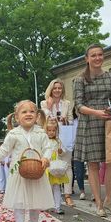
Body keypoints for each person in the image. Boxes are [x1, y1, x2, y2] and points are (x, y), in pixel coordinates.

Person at [0, 100, 54, 222]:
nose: (28, 114)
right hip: (19, 173)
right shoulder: (14, 134)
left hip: (37, 171)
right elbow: (4, 150)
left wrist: (46, 158)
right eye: (24, 112)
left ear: (37, 115)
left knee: (35, 202)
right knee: (19, 202)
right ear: (17, 117)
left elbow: (48, 148)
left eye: (31, 111)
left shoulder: (41, 133)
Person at [73, 44, 111, 217]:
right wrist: (95, 112)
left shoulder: (109, 76)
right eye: (93, 55)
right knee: (93, 164)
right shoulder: (80, 79)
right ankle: (99, 203)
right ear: (87, 59)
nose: (97, 58)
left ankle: (109, 200)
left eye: (100, 54)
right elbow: (78, 105)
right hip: (89, 122)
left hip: (107, 122)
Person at [41, 78, 74, 206]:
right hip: (50, 137)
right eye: (55, 88)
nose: (57, 90)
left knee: (67, 166)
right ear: (51, 89)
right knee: (49, 165)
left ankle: (67, 195)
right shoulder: (44, 103)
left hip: (64, 136)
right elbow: (43, 120)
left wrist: (65, 120)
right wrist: (49, 107)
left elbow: (71, 120)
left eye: (59, 88)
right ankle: (49, 196)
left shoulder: (67, 103)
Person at [45, 119, 70, 214]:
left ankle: (57, 206)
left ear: (56, 131)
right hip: (47, 167)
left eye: (53, 130)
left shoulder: (58, 141)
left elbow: (63, 152)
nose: (51, 132)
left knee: (56, 187)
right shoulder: (44, 141)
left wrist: (60, 151)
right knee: (48, 187)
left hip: (55, 167)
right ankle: (47, 205)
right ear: (46, 130)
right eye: (49, 130)